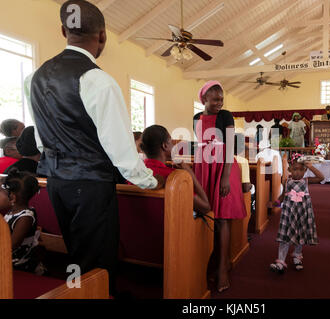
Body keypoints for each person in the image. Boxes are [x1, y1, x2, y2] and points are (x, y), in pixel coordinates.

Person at [24, 0, 164, 295]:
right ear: (102, 36)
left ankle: (75, 291)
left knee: (75, 252)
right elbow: (121, 148)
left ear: (63, 30)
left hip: (56, 182)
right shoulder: (98, 80)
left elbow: (40, 138)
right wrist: (150, 181)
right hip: (89, 184)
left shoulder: (34, 77)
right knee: (97, 261)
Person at [193, 80, 247, 293]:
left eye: (221, 99)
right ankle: (210, 261)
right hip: (204, 165)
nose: (219, 102)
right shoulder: (196, 117)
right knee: (208, 214)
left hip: (223, 168)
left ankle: (223, 267)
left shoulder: (226, 116)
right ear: (204, 99)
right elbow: (200, 142)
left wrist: (225, 177)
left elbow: (231, 146)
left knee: (222, 218)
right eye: (215, 99)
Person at [269, 153, 324, 273]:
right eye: (294, 169)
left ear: (304, 170)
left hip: (302, 212)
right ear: (289, 169)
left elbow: (321, 177)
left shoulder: (306, 181)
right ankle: (280, 261)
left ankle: (297, 256)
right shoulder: (286, 181)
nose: (298, 172)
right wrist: (274, 204)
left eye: (301, 169)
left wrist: (310, 166)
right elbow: (283, 197)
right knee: (285, 236)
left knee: (300, 234)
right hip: (288, 213)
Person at [140, 124, 210, 214]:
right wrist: (190, 173)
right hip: (170, 226)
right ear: (165, 146)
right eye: (172, 142)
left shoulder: (136, 173)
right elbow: (205, 207)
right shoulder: (174, 177)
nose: (174, 145)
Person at [0, 169, 46, 275]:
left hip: (18, 264)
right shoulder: (12, 211)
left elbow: (11, 245)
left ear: (12, 198)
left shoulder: (25, 218)